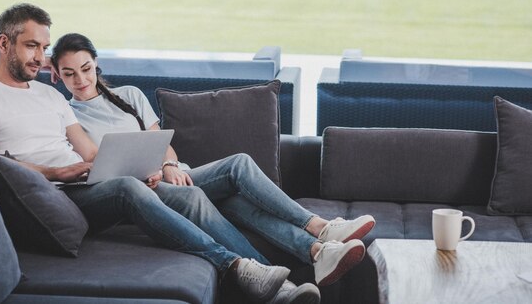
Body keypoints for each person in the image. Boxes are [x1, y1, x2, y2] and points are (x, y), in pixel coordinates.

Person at [0, 3, 301, 304]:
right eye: (31, 46)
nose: (39, 57)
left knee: (185, 194)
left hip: (84, 185)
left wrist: (143, 166)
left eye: (43, 47)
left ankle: (277, 286)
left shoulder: (49, 97)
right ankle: (235, 266)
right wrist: (54, 173)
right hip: (54, 194)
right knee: (127, 188)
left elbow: (91, 152)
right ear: (4, 43)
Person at [49, 33, 376, 294]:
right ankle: (318, 236)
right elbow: (98, 166)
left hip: (171, 177)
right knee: (231, 171)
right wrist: (145, 176)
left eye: (86, 68)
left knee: (236, 186)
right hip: (142, 195)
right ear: (57, 75)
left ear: (96, 65)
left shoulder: (130, 95)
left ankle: (313, 257)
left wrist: (168, 167)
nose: (80, 79)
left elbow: (163, 146)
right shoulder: (68, 116)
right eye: (69, 73)